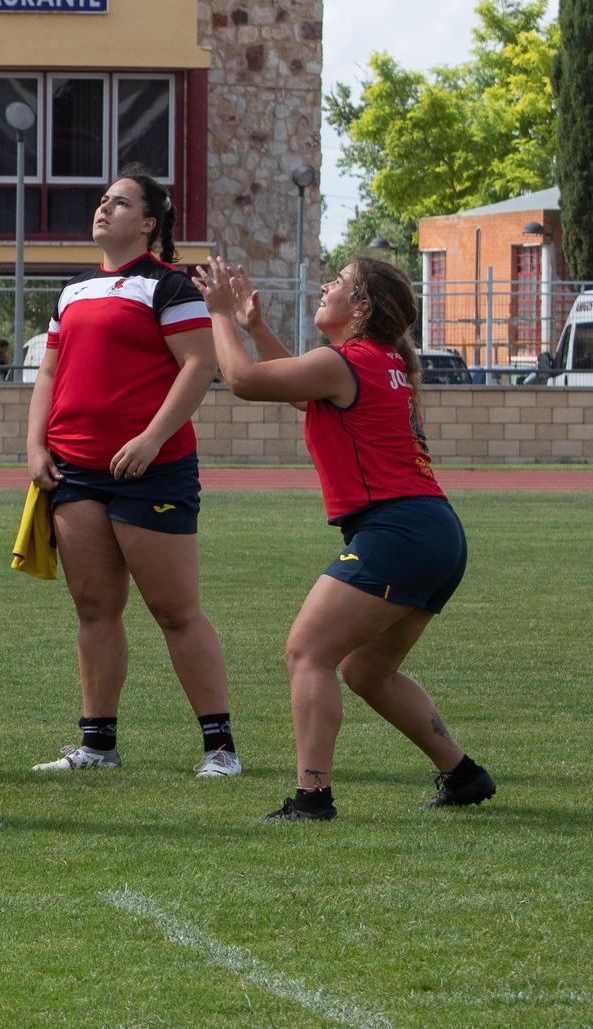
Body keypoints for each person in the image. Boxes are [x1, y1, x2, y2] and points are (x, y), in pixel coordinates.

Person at [195, 255, 496, 822]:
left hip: (398, 531)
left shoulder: (349, 361)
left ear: (361, 308)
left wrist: (220, 318)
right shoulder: (377, 360)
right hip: (432, 532)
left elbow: (242, 381)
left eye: (339, 283)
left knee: (308, 652)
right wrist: (255, 327)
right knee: (364, 671)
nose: (327, 286)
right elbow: (299, 388)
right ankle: (464, 775)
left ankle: (312, 799)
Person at [23, 165, 241, 778]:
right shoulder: (72, 292)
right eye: (101, 200)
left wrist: (150, 439)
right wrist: (35, 447)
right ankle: (97, 746)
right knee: (94, 608)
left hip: (154, 471)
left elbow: (199, 366)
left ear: (148, 222)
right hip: (74, 473)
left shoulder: (169, 286)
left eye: (119, 203)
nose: (103, 209)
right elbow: (48, 374)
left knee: (175, 611)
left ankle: (220, 749)